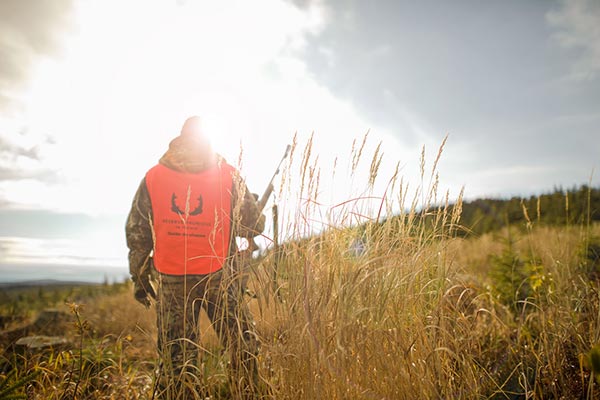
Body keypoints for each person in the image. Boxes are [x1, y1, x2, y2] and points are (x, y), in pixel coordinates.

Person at [125, 116, 265, 399]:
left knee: (177, 360)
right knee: (242, 345)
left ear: (179, 139)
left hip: (172, 281)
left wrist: (140, 277)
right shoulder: (228, 175)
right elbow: (252, 225)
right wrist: (251, 205)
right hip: (220, 276)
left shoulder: (153, 176)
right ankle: (248, 393)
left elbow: (138, 230)